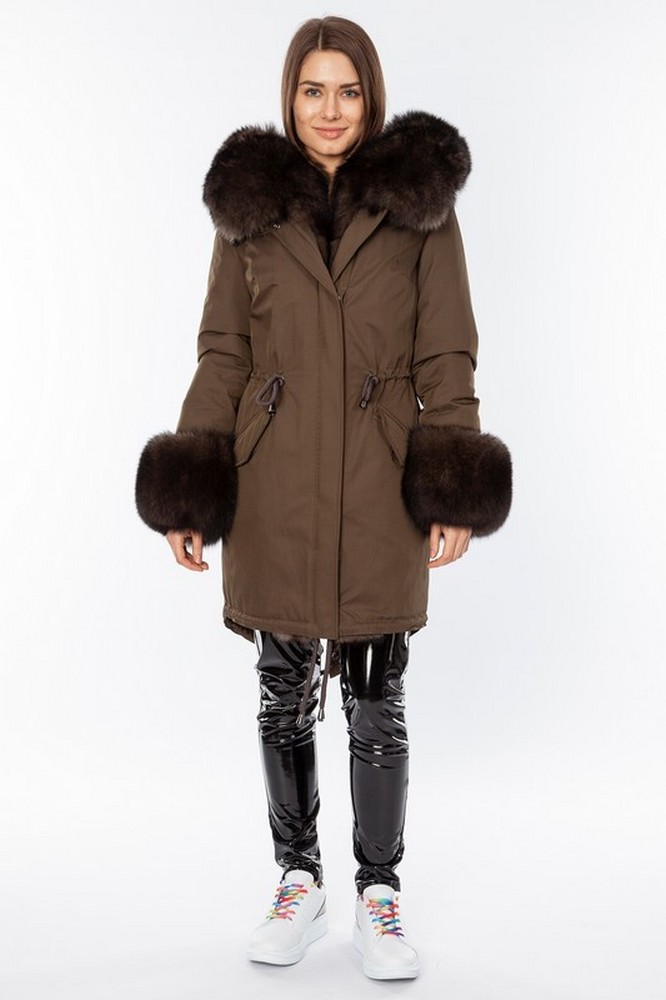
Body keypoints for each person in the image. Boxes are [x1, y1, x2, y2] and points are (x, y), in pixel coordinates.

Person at [135, 15, 512, 981]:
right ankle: (298, 881)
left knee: (378, 699)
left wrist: (452, 483)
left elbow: (447, 351)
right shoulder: (250, 208)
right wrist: (193, 485)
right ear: (290, 98)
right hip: (275, 485)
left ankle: (379, 894)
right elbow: (224, 351)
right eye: (313, 91)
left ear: (370, 97)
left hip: (381, 483)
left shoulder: (421, 208)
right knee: (282, 695)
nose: (330, 110)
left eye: (347, 90)